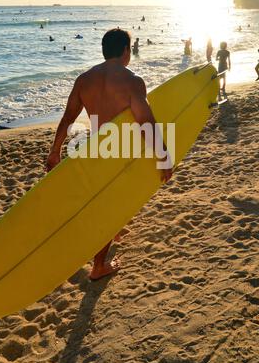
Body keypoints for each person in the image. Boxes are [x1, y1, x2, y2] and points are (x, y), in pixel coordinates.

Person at [46, 29, 172, 280]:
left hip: (97, 149)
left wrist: (55, 151)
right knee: (110, 206)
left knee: (107, 200)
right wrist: (163, 157)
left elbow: (68, 118)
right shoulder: (132, 81)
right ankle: (99, 266)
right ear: (126, 50)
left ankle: (114, 233)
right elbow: (146, 122)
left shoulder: (84, 79)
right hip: (121, 151)